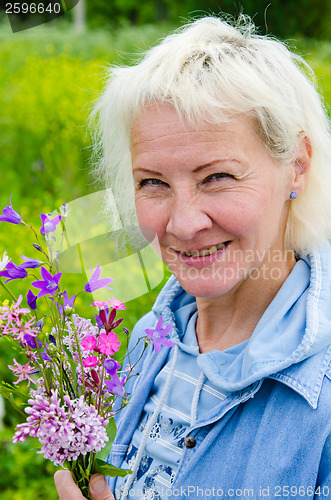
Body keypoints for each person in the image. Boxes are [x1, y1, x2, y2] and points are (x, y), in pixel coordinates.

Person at [55, 15, 331, 500]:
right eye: (153, 182)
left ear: (297, 166)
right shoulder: (149, 338)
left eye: (218, 177)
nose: (182, 225)